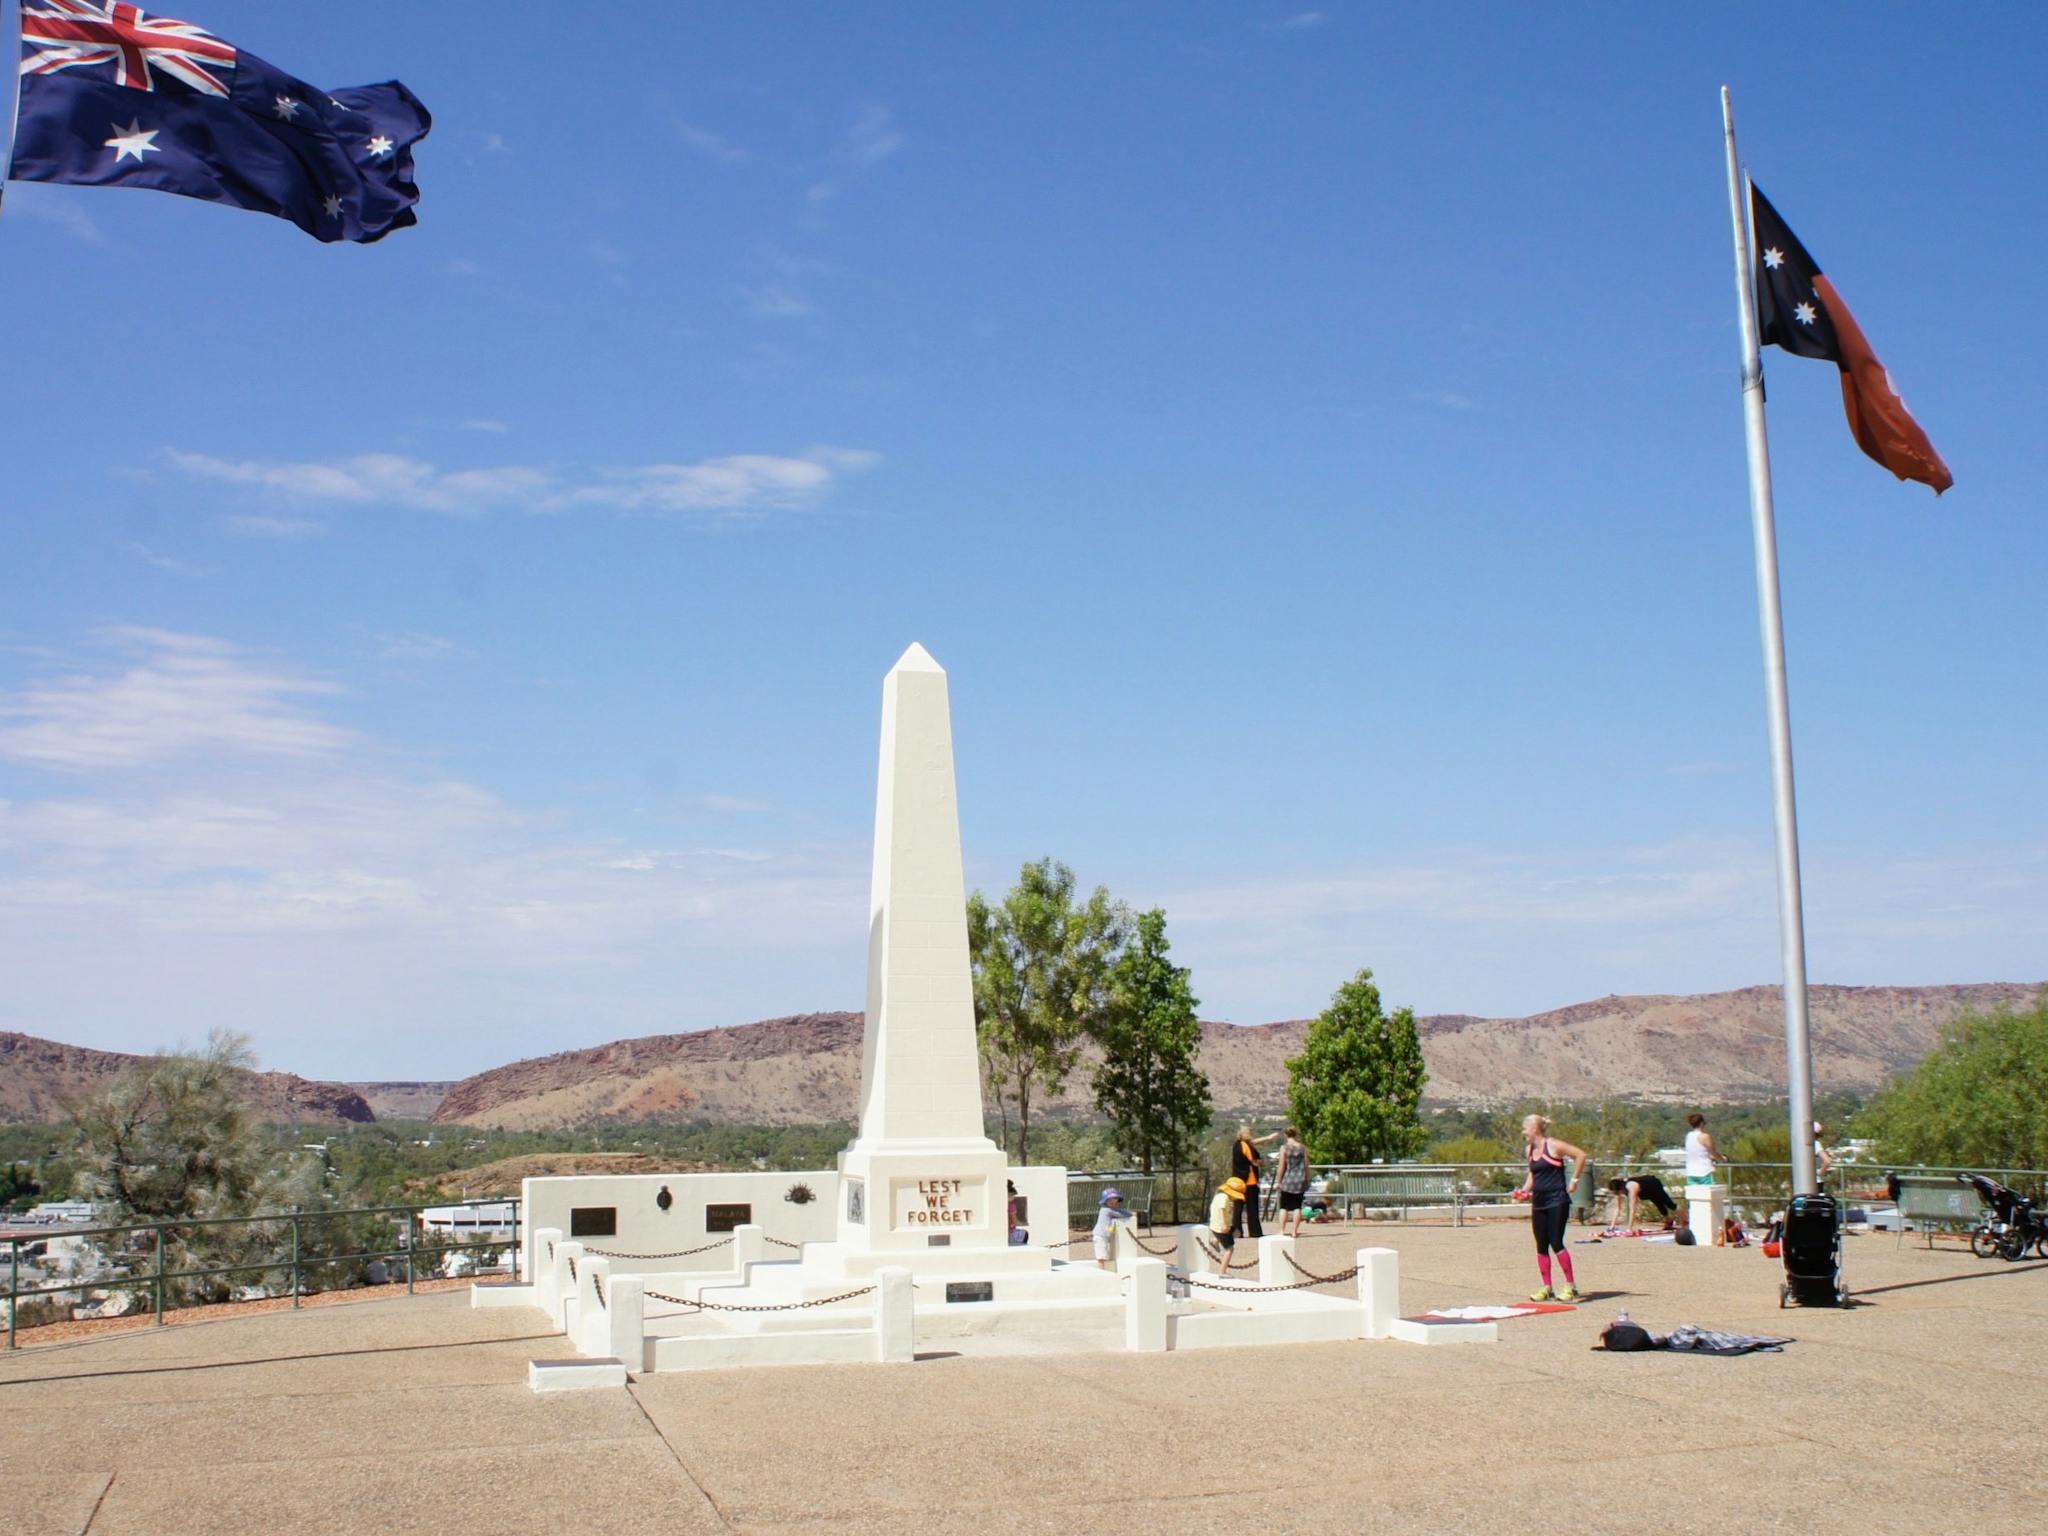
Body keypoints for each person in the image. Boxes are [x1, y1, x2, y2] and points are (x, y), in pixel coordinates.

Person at [1514, 1114, 1587, 1302]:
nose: (1524, 1133)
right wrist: (1523, 1191)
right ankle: (1547, 1287)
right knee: (1541, 1244)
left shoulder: (1553, 1145)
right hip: (1539, 1202)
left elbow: (1581, 1155)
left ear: (1535, 1129)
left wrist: (1575, 1180)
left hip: (1557, 1200)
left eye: (1525, 1129)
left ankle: (1571, 1286)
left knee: (1556, 1241)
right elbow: (1533, 1174)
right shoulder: (1529, 1149)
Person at [1230, 1122, 1282, 1240]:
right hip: (1249, 1181)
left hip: (1237, 1181)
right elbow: (1253, 1161)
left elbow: (1255, 1142)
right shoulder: (1246, 1146)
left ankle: (1237, 1232)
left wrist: (1268, 1138)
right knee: (1252, 1208)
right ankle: (1255, 1232)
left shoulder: (1237, 1145)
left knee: (1237, 1208)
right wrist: (1266, 1162)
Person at [1271, 1126, 1312, 1237]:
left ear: (1286, 1135)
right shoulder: (1302, 1148)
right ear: (1296, 1134)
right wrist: (1308, 1179)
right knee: (1297, 1207)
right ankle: (1294, 1231)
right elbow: (1306, 1165)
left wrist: (1278, 1181)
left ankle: (1282, 1230)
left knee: (1284, 1207)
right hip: (1300, 1180)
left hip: (1288, 1180)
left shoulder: (1284, 1148)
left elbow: (1281, 1166)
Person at [1606, 1172, 1677, 1232]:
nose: (1617, 1195)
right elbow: (1618, 1208)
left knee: (1670, 1204)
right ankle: (1669, 1221)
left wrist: (1629, 1228)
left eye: (1616, 1193)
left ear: (1619, 1189)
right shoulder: (1619, 1190)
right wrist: (1612, 1226)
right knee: (1658, 1204)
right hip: (1645, 1192)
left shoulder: (1630, 1186)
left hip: (1653, 1184)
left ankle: (1684, 1222)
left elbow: (1632, 1209)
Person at [1207, 1176, 1247, 1274]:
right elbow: (1221, 1210)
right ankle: (1222, 1271)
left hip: (1216, 1225)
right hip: (1221, 1227)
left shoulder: (1219, 1196)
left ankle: (1215, 1240)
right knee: (1230, 1249)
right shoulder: (1224, 1198)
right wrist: (1224, 1225)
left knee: (1237, 1233)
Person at [1092, 1187, 1134, 1270]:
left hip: (1104, 1236)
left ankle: (1102, 1269)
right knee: (1101, 1255)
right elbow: (1121, 1214)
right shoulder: (1106, 1210)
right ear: (1106, 1201)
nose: (1114, 1204)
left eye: (1116, 1202)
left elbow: (1119, 1211)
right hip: (1101, 1236)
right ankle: (1101, 1270)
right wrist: (1131, 1213)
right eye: (1111, 1202)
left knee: (1104, 1253)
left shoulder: (1109, 1209)